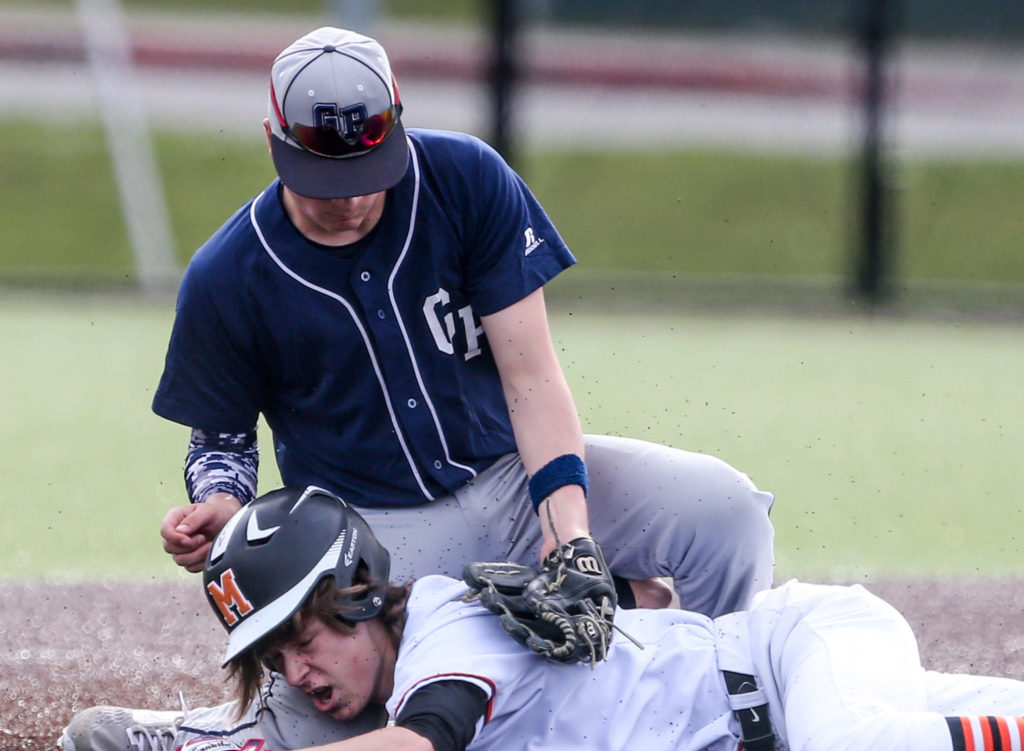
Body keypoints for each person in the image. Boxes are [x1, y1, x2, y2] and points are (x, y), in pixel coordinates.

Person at [152, 25, 775, 621]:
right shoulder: (228, 273)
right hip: (374, 530)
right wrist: (222, 504)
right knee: (367, 687)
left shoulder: (465, 180)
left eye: (364, 175)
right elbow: (220, 441)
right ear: (273, 138)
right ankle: (630, 604)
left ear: (396, 120)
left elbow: (530, 377)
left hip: (512, 479)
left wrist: (568, 537)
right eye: (326, 180)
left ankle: (731, 697)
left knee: (725, 511)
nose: (349, 199)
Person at [61, 487, 1024, 751]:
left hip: (791, 654)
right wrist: (195, 744)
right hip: (803, 683)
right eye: (276, 662)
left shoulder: (443, 624)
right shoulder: (391, 679)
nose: (299, 672)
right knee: (869, 734)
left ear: (358, 595)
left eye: (302, 639)